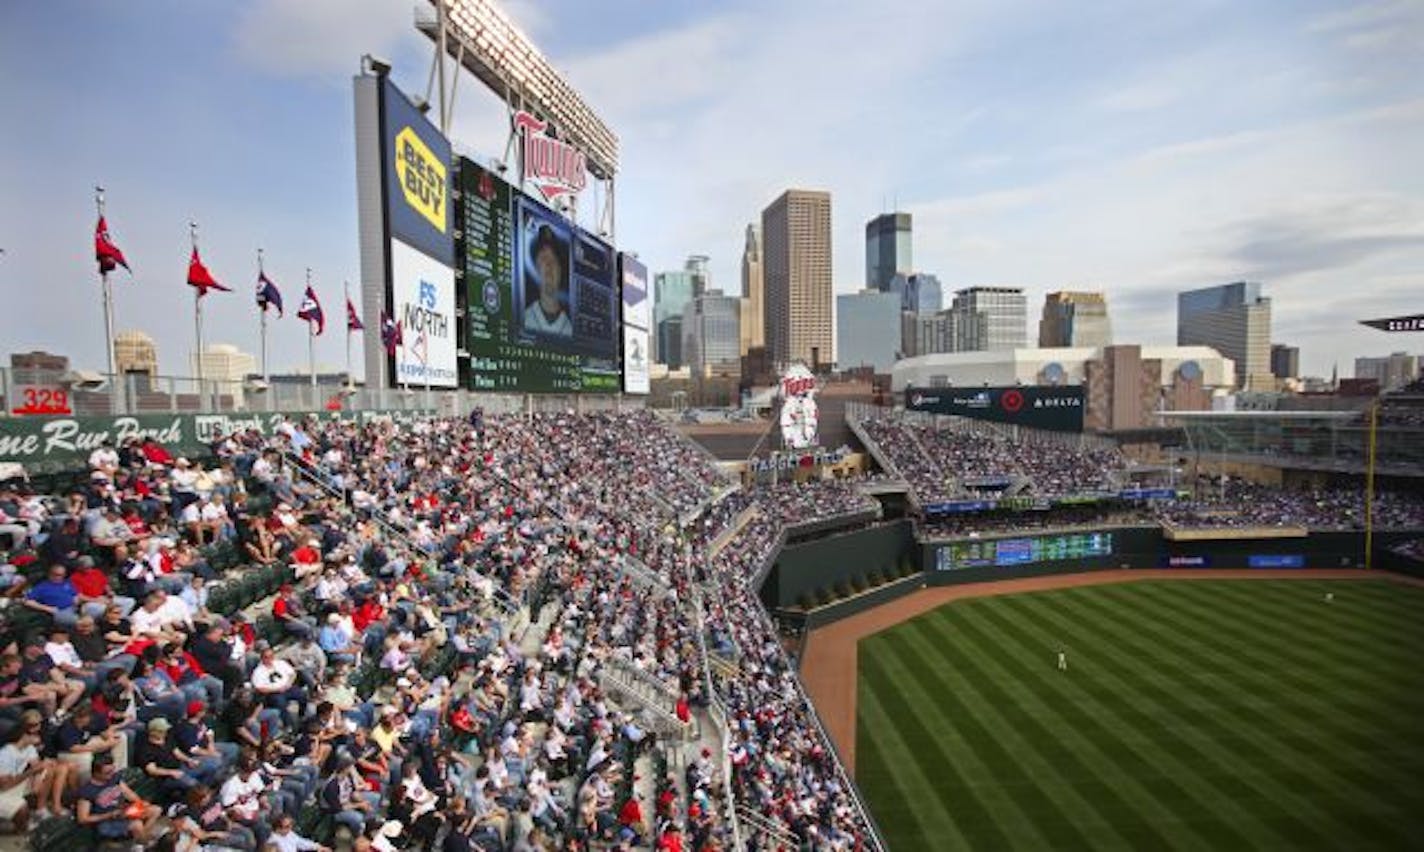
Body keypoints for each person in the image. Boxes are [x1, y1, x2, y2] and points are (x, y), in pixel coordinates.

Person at [74, 753, 161, 845]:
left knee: (156, 810)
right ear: (96, 773)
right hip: (105, 822)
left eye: (112, 770)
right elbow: (82, 819)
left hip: (123, 812)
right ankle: (144, 843)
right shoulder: (87, 791)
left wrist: (140, 803)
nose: (111, 774)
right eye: (107, 773)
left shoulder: (114, 778)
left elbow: (128, 793)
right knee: (137, 824)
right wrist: (109, 815)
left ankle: (140, 841)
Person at [522, 224, 572, 337]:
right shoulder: (524, 319)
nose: (548, 265)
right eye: (543, 259)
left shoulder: (570, 328)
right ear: (536, 268)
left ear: (560, 270)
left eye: (553, 260)